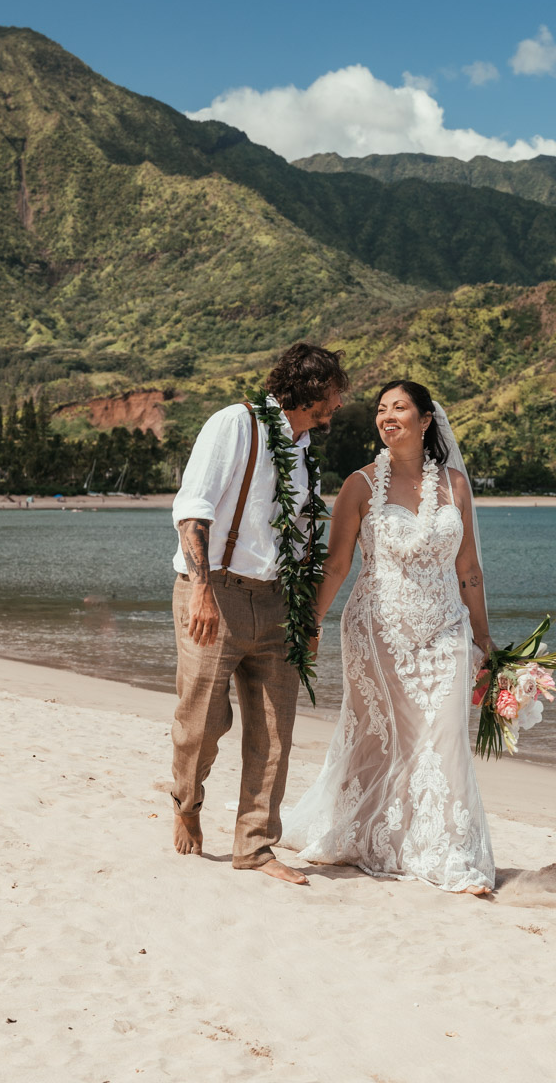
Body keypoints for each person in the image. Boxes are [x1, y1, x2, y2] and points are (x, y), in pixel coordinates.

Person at [280, 379, 497, 894]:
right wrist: (309, 623)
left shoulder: (457, 486)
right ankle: (377, 835)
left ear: (426, 421)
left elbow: (468, 569)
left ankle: (448, 856)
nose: (388, 416)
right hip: (378, 632)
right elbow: (335, 567)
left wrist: (485, 641)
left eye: (400, 408)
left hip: (446, 630)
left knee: (444, 737)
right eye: (381, 409)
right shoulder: (359, 485)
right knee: (382, 741)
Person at [169, 342, 347, 886]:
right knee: (202, 722)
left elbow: (308, 540)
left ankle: (254, 846)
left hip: (279, 602)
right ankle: (187, 801)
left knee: (274, 730)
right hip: (214, 591)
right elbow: (193, 509)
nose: (338, 405)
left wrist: (309, 619)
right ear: (310, 388)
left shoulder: (307, 449)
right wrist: (201, 591)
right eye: (334, 395)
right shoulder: (234, 425)